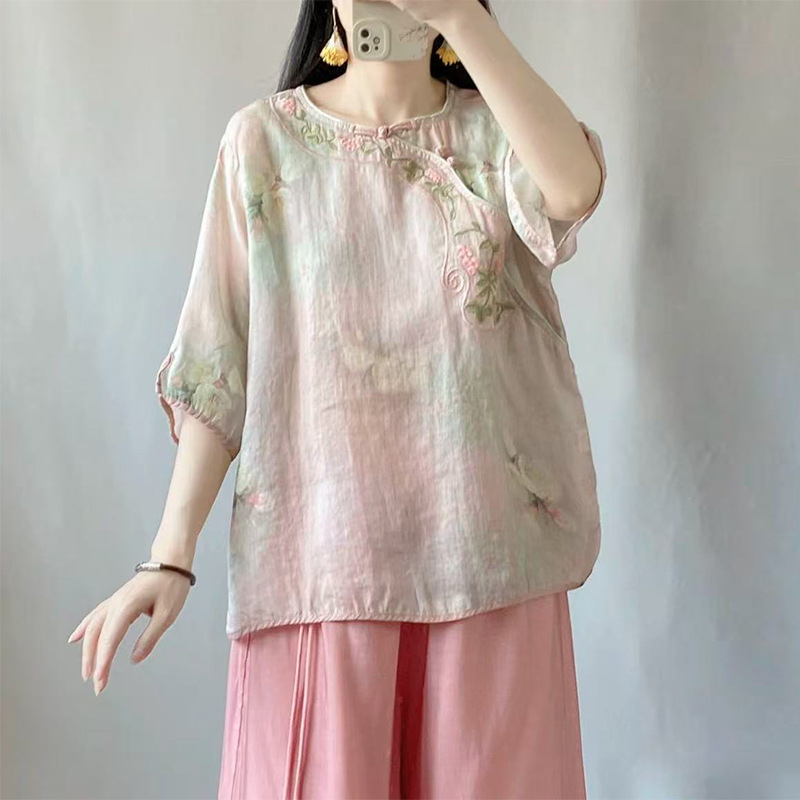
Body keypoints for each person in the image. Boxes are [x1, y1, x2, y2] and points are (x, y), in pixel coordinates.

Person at [68, 0, 607, 796]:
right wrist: (169, 556)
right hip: (321, 564)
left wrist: (462, 18)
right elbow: (219, 360)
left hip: (491, 563)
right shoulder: (264, 143)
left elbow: (572, 190)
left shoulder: (497, 136)